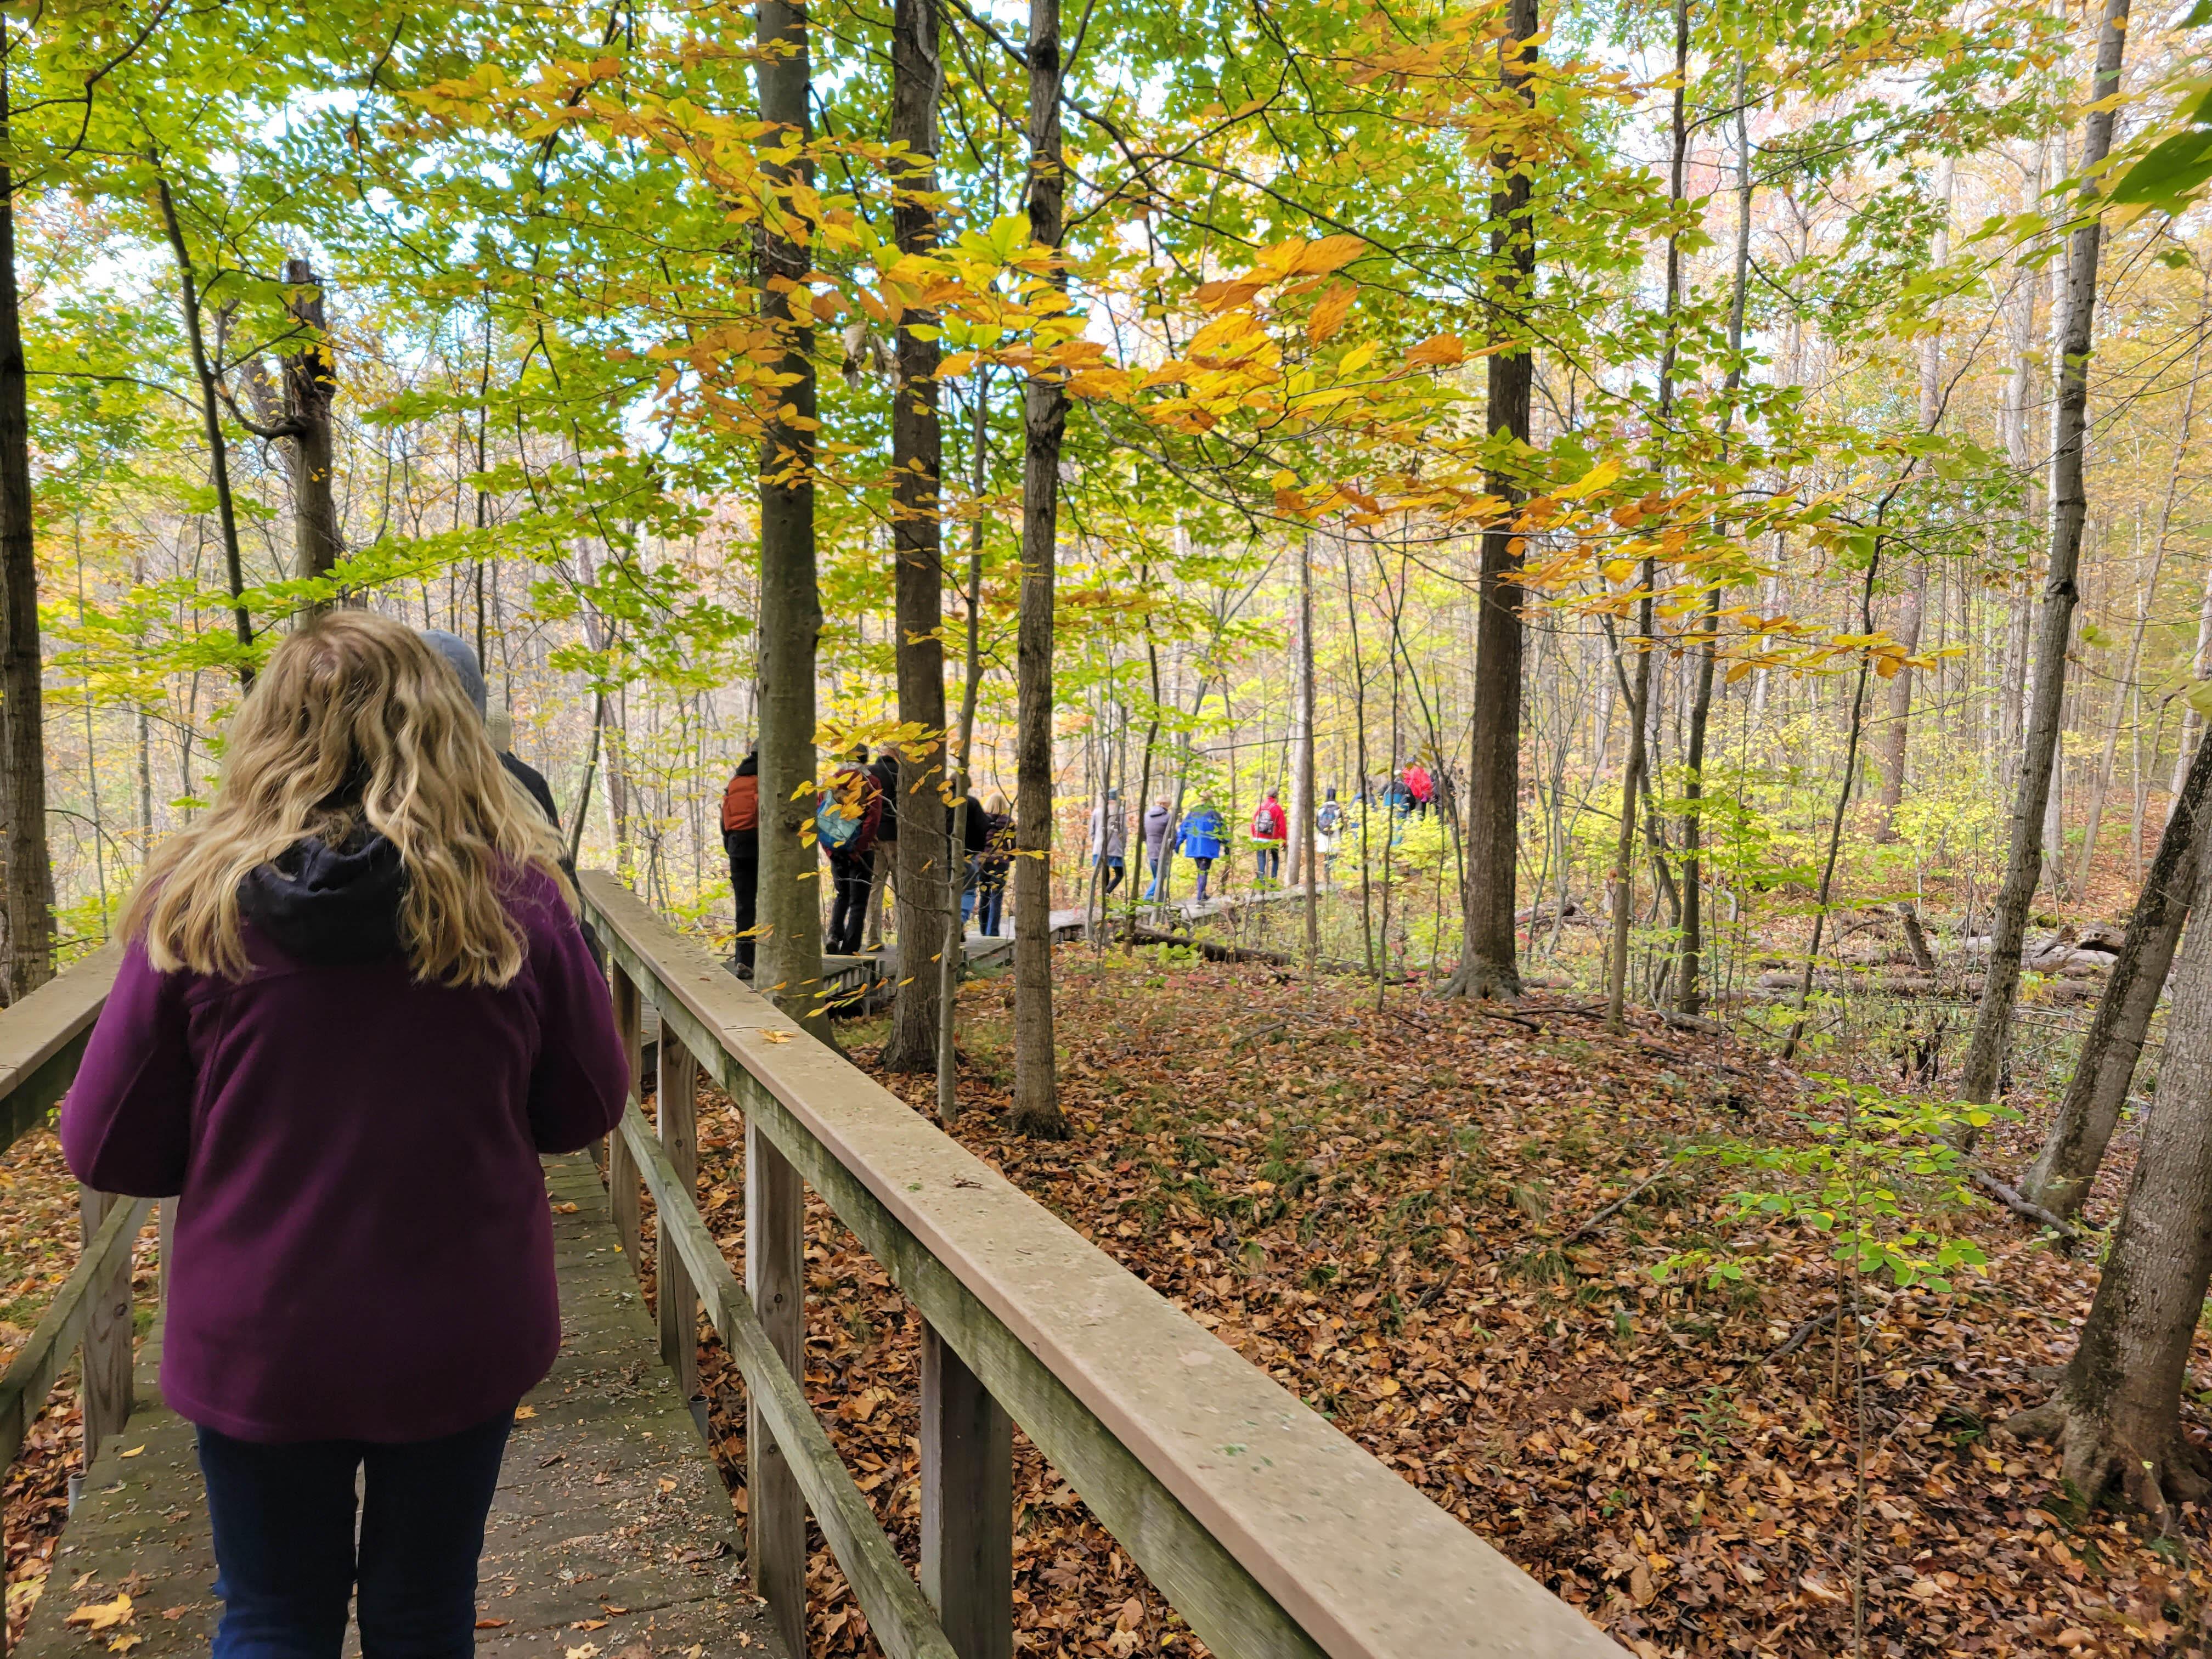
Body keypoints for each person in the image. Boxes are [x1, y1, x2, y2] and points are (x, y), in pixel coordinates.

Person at [58, 612, 627, 1658]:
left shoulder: (195, 908)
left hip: (260, 1334)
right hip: (460, 1328)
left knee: (273, 1614)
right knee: (422, 1612)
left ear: (271, 729)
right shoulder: (518, 899)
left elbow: (105, 1146)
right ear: (447, 729)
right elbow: (584, 1106)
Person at [820, 747, 883, 956]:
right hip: (861, 849)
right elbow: (873, 819)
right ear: (866, 760)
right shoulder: (871, 782)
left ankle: (833, 936)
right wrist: (860, 847)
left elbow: (821, 820)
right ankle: (850, 947)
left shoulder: (831, 782)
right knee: (859, 900)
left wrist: (830, 849)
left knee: (842, 895)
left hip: (836, 848)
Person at [722, 747, 760, 974]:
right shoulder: (767, 778)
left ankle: (744, 960)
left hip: (737, 846)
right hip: (760, 846)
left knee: (744, 907)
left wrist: (730, 846)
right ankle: (767, 958)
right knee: (768, 906)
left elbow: (724, 819)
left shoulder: (735, 781)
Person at [864, 746, 901, 951]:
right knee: (901, 890)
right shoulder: (904, 774)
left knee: (875, 889)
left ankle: (873, 939)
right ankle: (906, 936)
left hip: (874, 838)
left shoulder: (868, 773)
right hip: (898, 838)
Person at [950, 784, 989, 928]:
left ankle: (948, 925)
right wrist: (979, 850)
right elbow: (984, 827)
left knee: (947, 890)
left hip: (944, 855)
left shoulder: (941, 802)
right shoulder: (972, 803)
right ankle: (959, 920)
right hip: (968, 854)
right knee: (969, 890)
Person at [974, 792, 1013, 936]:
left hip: (982, 862)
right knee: (997, 897)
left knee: (984, 895)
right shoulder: (1009, 822)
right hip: (1001, 863)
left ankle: (984, 932)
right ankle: (993, 932)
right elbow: (1014, 845)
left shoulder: (980, 820)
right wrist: (1010, 857)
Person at [1178, 799, 1226, 901]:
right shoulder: (1214, 813)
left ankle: (1202, 894)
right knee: (1204, 871)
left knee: (1201, 870)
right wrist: (1227, 846)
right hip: (1209, 847)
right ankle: (1200, 898)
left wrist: (1178, 843)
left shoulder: (1192, 813)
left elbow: (1184, 828)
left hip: (1194, 847)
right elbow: (1222, 831)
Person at [1089, 788, 1127, 898]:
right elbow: (1124, 830)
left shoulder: (1097, 811)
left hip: (1100, 847)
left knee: (1105, 873)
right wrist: (1123, 845)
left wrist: (1095, 842)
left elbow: (1092, 830)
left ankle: (1105, 896)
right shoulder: (1120, 810)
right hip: (1115, 846)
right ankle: (1106, 893)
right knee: (1120, 874)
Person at [1250, 786, 1288, 883]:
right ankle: (1273, 883)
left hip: (1259, 838)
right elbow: (1282, 827)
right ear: (1276, 796)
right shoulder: (1277, 808)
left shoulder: (1260, 807)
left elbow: (1252, 823)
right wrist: (1284, 842)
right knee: (1275, 858)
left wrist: (1255, 836)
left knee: (1261, 859)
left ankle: (1261, 883)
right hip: (1273, 839)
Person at [1141, 795, 1176, 899]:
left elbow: (1142, 834)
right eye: (1168, 806)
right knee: (1162, 875)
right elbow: (1173, 835)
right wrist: (1173, 847)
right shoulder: (1168, 817)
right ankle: (1148, 896)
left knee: (1157, 877)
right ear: (1164, 804)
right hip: (1163, 851)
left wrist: (1148, 843)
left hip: (1151, 850)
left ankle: (1159, 897)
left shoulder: (1146, 816)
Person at [1316, 786, 1344, 884]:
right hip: (1335, 835)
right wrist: (1338, 833)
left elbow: (1317, 823)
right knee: (1333, 856)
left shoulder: (1321, 809)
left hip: (1323, 835)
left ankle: (1326, 873)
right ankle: (1331, 875)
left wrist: (1322, 831)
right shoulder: (1338, 809)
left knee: (1326, 856)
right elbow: (1342, 824)